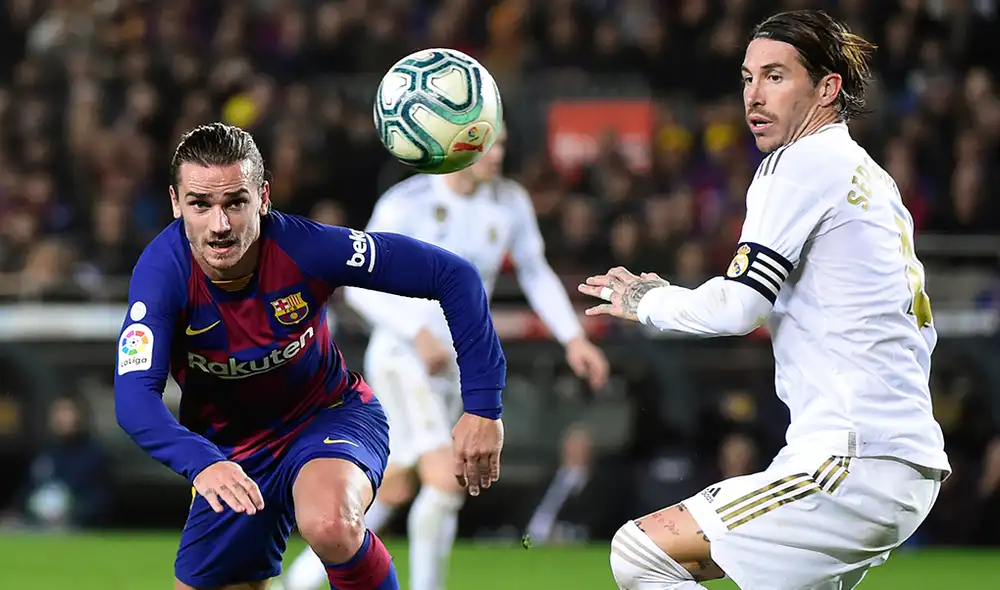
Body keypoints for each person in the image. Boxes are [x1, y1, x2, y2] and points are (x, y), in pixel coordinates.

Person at [579, 10, 951, 590]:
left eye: (775, 77)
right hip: (896, 456)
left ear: (827, 88)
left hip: (851, 457)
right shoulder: (871, 177)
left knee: (639, 551)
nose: (754, 95)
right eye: (748, 78)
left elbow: (740, 307)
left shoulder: (799, 164)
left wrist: (647, 301)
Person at [113, 122, 507, 590]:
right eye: (200, 204)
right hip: (231, 455)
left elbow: (454, 275)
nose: (219, 225)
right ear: (177, 204)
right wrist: (202, 462)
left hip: (328, 417)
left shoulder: (307, 248)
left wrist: (483, 405)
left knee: (330, 523)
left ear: (262, 197)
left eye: (235, 202)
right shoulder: (161, 276)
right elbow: (134, 399)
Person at [283, 126, 609, 590]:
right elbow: (353, 283)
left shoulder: (510, 201)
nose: (498, 156)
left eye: (502, 145)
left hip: (456, 367)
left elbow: (535, 273)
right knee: (447, 477)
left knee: (393, 486)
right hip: (404, 359)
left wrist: (574, 338)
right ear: (456, 145)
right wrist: (415, 332)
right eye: (488, 146)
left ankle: (294, 584)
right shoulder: (406, 202)